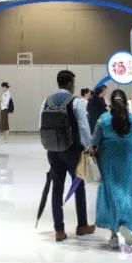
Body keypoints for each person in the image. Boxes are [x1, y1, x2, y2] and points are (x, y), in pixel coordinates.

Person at [88, 89, 132, 250]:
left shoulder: (103, 120)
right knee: (128, 195)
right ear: (125, 102)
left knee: (111, 195)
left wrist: (89, 151)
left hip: (108, 163)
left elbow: (94, 143)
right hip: (128, 163)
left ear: (111, 102)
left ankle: (114, 234)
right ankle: (124, 222)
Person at [39, 69, 94, 242]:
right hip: (72, 151)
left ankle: (59, 230)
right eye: (74, 83)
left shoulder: (46, 101)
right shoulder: (76, 102)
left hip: (53, 151)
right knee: (78, 185)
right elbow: (83, 127)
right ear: (70, 83)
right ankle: (82, 225)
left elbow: (41, 125)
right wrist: (89, 146)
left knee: (57, 188)